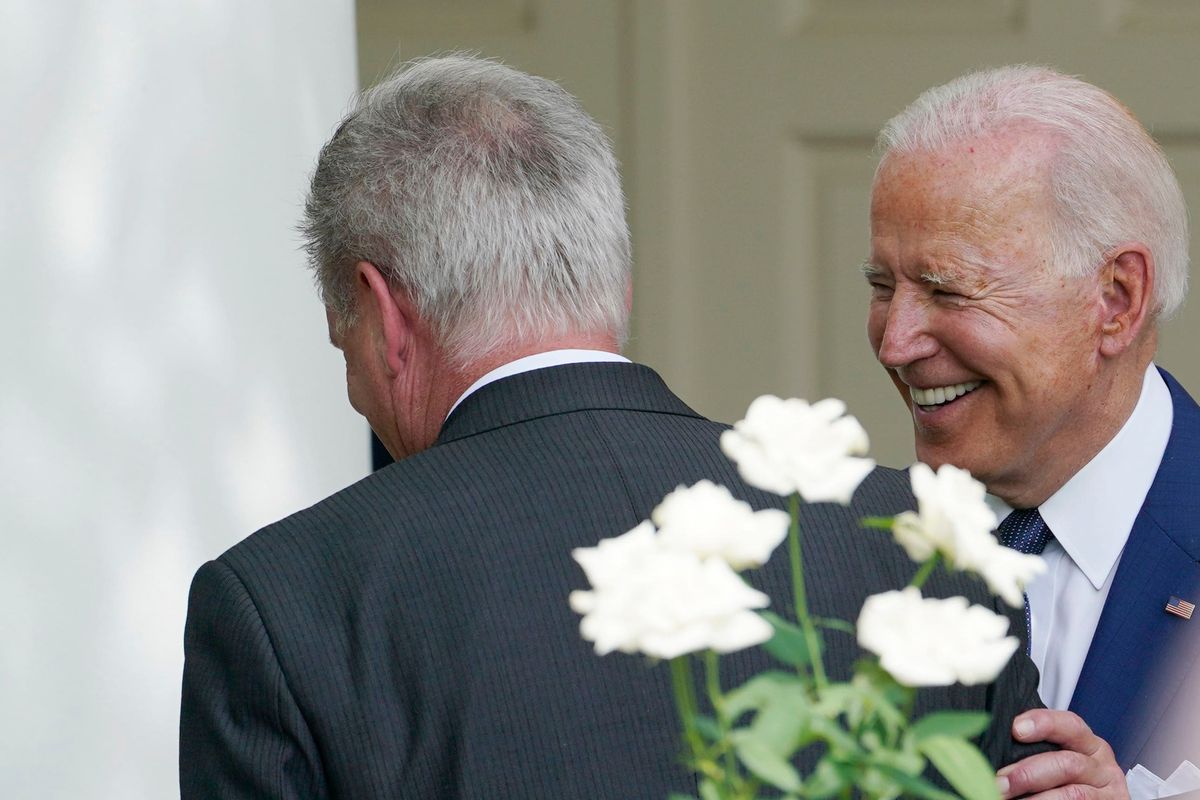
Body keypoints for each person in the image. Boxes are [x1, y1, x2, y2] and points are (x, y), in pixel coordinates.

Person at [179, 55, 1046, 799]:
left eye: (346, 348)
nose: (356, 390)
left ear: (383, 315)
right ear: (615, 285)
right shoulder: (925, 546)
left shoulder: (284, 607)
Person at [866, 64, 1200, 794]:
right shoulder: (842, 553)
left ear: (1116, 299)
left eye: (947, 289)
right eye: (882, 286)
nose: (896, 342)